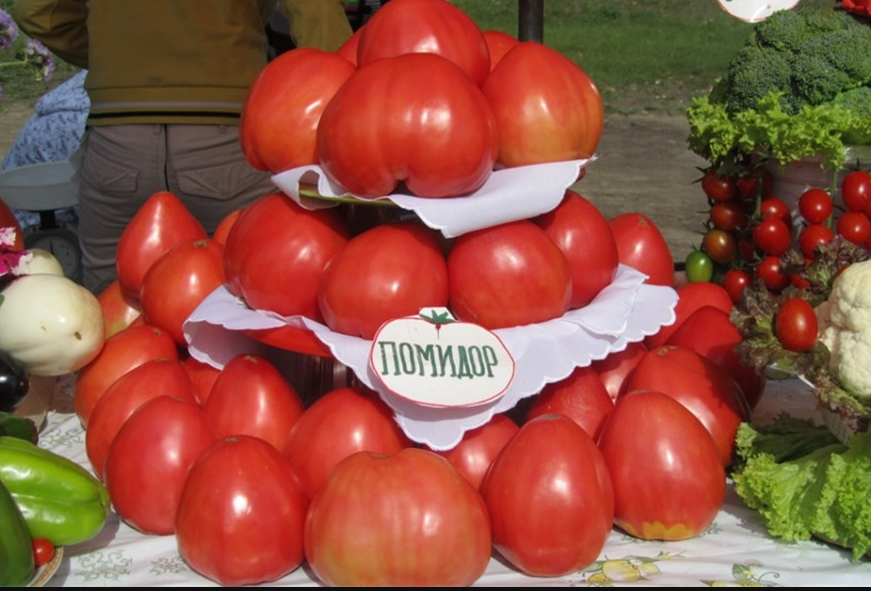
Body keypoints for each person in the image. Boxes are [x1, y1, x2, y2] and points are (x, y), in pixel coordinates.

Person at [11, 0, 353, 295]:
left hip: (117, 136)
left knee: (111, 308)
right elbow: (314, 9)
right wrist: (347, 86)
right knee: (243, 305)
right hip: (225, 137)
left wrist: (114, 55)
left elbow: (36, 11)